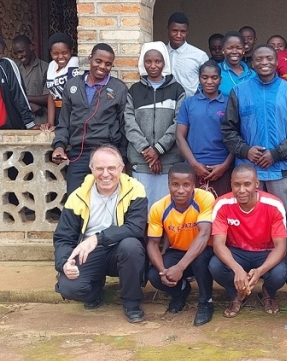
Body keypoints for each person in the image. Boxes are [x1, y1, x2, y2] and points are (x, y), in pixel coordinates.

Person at [222, 44, 287, 264]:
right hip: (249, 172)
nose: (264, 63)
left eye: (268, 58)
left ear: (277, 61)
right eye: (259, 59)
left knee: (284, 219)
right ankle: (254, 265)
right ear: (252, 63)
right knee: (250, 220)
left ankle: (286, 268)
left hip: (283, 169)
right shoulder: (239, 91)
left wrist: (276, 153)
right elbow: (228, 130)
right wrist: (245, 150)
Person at [53, 144, 149, 323]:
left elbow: (135, 228)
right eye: (100, 168)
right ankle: (95, 292)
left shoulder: (135, 189)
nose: (106, 174)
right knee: (69, 288)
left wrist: (98, 238)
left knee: (132, 246)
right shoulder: (78, 195)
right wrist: (64, 263)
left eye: (111, 168)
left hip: (120, 249)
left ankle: (131, 302)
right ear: (91, 169)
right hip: (88, 253)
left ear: (121, 169)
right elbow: (63, 237)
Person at [209, 163, 287, 318]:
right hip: (237, 251)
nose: (241, 190)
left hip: (265, 251)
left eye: (247, 184)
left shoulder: (274, 205)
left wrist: (260, 271)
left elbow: (281, 247)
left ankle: (268, 293)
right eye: (237, 185)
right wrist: (237, 269)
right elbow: (218, 244)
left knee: (280, 273)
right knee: (215, 266)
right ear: (231, 184)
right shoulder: (222, 204)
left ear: (257, 184)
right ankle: (238, 294)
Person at [51, 44, 128, 194]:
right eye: (98, 61)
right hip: (79, 154)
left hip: (107, 154)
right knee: (76, 203)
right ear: (90, 59)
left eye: (108, 64)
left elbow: (125, 126)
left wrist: (122, 159)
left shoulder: (119, 89)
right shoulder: (72, 86)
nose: (102, 67)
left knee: (107, 202)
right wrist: (59, 146)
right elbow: (64, 122)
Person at [146, 163, 216, 326]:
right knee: (154, 275)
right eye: (175, 184)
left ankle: (206, 302)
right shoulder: (158, 207)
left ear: (194, 185)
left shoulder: (205, 198)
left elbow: (205, 234)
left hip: (203, 250)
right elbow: (152, 243)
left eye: (186, 185)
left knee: (200, 259)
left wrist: (180, 267)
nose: (180, 190)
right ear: (168, 184)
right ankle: (181, 292)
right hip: (177, 251)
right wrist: (164, 271)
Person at [125, 41, 186, 203]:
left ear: (164, 62)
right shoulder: (134, 91)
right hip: (141, 161)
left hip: (169, 162)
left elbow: (179, 122)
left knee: (166, 210)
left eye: (157, 61)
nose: (153, 65)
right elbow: (129, 123)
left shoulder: (177, 90)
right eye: (148, 61)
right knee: (142, 210)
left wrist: (158, 150)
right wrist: (147, 151)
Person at [176, 61, 234, 196]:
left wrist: (224, 166)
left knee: (220, 212)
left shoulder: (229, 103)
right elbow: (180, 137)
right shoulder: (189, 103)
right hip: (193, 168)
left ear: (220, 79)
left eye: (214, 77)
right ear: (199, 79)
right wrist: (194, 164)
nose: (209, 81)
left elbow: (237, 137)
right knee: (194, 212)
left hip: (223, 169)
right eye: (205, 77)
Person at [166, 12, 209, 96]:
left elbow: (208, 82)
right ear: (168, 29)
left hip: (191, 106)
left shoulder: (199, 56)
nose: (178, 35)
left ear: (188, 32)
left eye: (183, 31)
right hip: (166, 106)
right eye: (174, 30)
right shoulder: (160, 53)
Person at [44, 32, 79, 130]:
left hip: (72, 113)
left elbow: (73, 96)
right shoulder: (51, 66)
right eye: (55, 53)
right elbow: (51, 95)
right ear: (50, 53)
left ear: (71, 51)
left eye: (64, 53)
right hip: (57, 112)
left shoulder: (74, 62)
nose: (60, 57)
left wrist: (64, 123)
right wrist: (50, 122)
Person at [12, 34, 50, 126]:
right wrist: (30, 105)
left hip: (41, 122)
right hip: (19, 122)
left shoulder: (46, 68)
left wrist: (24, 98)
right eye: (16, 53)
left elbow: (49, 97)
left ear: (31, 47)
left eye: (21, 52)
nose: (19, 56)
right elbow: (8, 95)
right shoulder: (13, 69)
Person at [217, 31, 255, 96]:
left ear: (243, 51)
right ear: (223, 50)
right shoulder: (215, 71)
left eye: (239, 48)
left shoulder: (252, 75)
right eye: (230, 48)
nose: (234, 52)